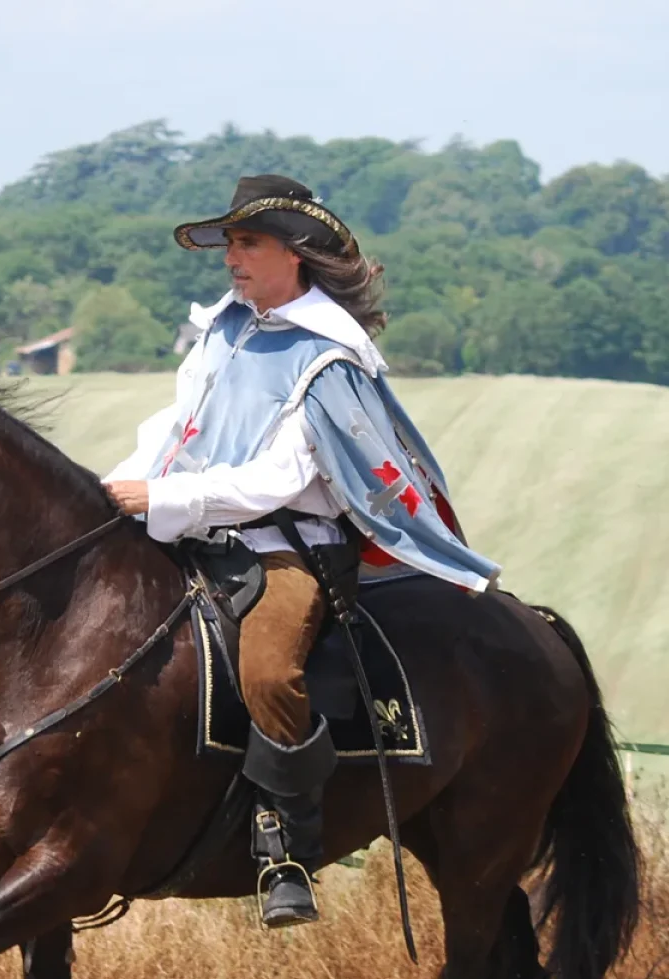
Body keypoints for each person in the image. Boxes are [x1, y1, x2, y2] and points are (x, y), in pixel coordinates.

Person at [102, 175, 501, 927]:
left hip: (285, 548)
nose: (232, 258)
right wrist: (106, 488)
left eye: (248, 242)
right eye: (230, 243)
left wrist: (165, 501)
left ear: (296, 254)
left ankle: (289, 843)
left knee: (268, 671)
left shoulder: (327, 354)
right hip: (189, 529)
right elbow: (173, 429)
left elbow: (280, 478)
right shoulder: (227, 328)